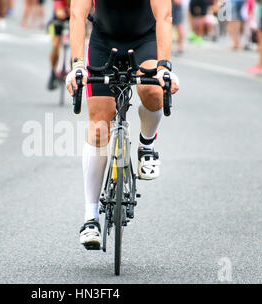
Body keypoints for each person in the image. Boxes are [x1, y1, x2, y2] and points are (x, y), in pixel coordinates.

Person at [66, 0, 180, 249]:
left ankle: (147, 145)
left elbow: (165, 17)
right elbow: (77, 15)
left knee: (153, 91)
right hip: (103, 41)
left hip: (144, 41)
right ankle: (90, 217)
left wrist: (164, 67)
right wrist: (76, 65)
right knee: (98, 126)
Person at [47, 0, 70, 90]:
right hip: (58, 20)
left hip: (73, 18)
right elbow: (59, 11)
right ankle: (52, 71)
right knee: (55, 46)